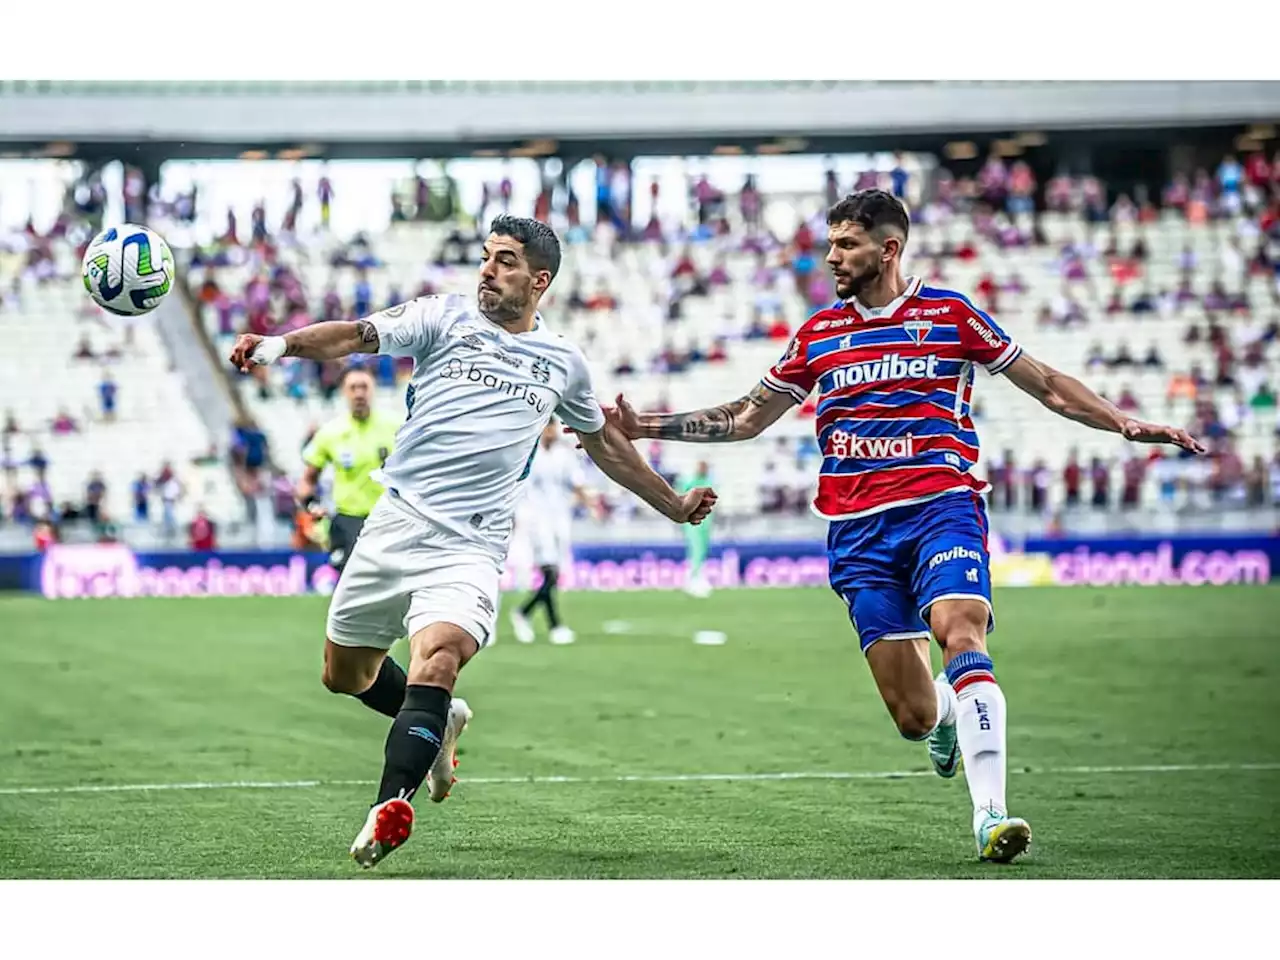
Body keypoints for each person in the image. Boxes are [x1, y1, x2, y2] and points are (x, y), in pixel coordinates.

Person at [596, 190, 1204, 864]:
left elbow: (1048, 385)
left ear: (888, 249)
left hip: (942, 503)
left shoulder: (950, 314)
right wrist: (646, 425)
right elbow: (745, 417)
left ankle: (990, 814)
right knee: (913, 716)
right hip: (856, 530)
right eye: (830, 245)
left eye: (846, 245)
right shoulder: (820, 334)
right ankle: (946, 716)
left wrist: (1122, 422)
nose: (832, 257)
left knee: (961, 629)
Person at [229, 216, 716, 870]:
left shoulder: (562, 363)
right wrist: (278, 346)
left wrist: (674, 504)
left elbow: (606, 445)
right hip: (395, 526)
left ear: (539, 280)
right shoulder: (442, 318)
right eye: (487, 257)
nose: (488, 269)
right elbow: (355, 334)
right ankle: (443, 723)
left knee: (437, 659)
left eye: (506, 261)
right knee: (344, 675)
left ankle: (387, 808)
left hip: (471, 547)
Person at [299, 366, 400, 572]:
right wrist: (311, 505)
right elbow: (307, 480)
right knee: (352, 585)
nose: (359, 393)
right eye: (353, 388)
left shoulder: (396, 427)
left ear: (373, 390)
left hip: (389, 518)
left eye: (364, 387)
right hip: (348, 520)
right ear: (344, 392)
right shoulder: (330, 432)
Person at [509, 418, 599, 646]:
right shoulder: (529, 453)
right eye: (548, 428)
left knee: (555, 573)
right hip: (536, 520)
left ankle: (524, 613)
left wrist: (590, 503)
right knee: (550, 572)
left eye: (553, 428)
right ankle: (553, 625)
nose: (551, 433)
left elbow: (576, 483)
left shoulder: (564, 455)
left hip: (560, 518)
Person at [679, 460, 715, 598]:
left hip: (706, 522)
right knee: (696, 549)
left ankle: (698, 577)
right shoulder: (691, 481)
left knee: (702, 550)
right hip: (693, 521)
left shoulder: (709, 480)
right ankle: (693, 579)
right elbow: (682, 494)